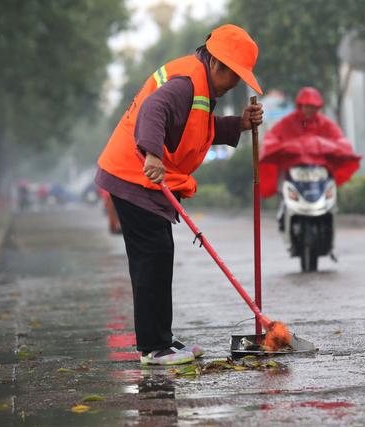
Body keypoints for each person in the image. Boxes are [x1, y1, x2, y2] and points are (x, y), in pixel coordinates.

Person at [96, 24, 264, 366]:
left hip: (142, 178)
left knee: (159, 256)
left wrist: (240, 124)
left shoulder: (201, 86)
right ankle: (153, 348)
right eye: (234, 76)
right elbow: (153, 112)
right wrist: (153, 153)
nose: (235, 83)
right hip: (134, 174)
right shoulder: (187, 81)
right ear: (217, 63)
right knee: (152, 257)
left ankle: (162, 339)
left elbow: (197, 128)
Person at [263, 87, 348, 231]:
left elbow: (339, 139)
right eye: (307, 106)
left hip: (318, 172)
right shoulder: (288, 122)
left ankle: (329, 213)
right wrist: (279, 147)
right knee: (283, 179)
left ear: (318, 107)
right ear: (300, 105)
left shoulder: (325, 124)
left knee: (330, 185)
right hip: (295, 170)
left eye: (313, 107)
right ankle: (284, 207)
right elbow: (272, 137)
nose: (310, 110)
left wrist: (336, 147)